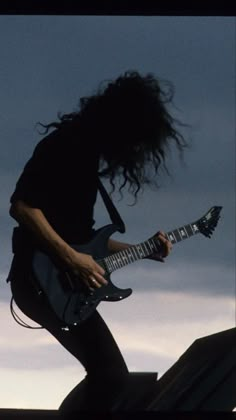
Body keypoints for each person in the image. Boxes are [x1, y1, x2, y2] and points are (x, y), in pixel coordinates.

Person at [7, 70, 187, 411]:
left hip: (55, 282)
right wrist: (72, 260)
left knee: (108, 375)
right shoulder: (64, 144)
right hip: (40, 279)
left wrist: (144, 250)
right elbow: (23, 208)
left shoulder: (86, 155)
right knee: (111, 375)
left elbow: (86, 241)